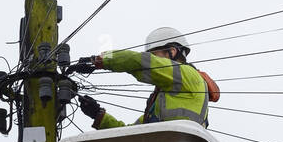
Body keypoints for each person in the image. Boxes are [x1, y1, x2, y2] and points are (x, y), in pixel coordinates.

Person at [75, 27, 221, 129]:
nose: (151, 59)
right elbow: (129, 134)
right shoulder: (160, 103)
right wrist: (98, 115)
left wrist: (99, 60)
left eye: (153, 54)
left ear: (172, 52)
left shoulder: (188, 75)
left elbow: (139, 61)